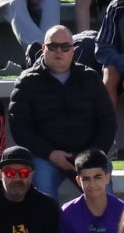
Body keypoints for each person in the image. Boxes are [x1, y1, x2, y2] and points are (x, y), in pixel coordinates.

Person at [10, 26, 113, 197]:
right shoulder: (26, 82)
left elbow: (107, 122)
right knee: (44, 204)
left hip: (87, 155)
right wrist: (49, 153)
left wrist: (90, 154)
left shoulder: (91, 78)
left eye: (65, 47)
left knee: (104, 202)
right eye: (52, 46)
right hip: (45, 158)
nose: (59, 51)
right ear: (43, 49)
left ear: (73, 50)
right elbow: (20, 127)